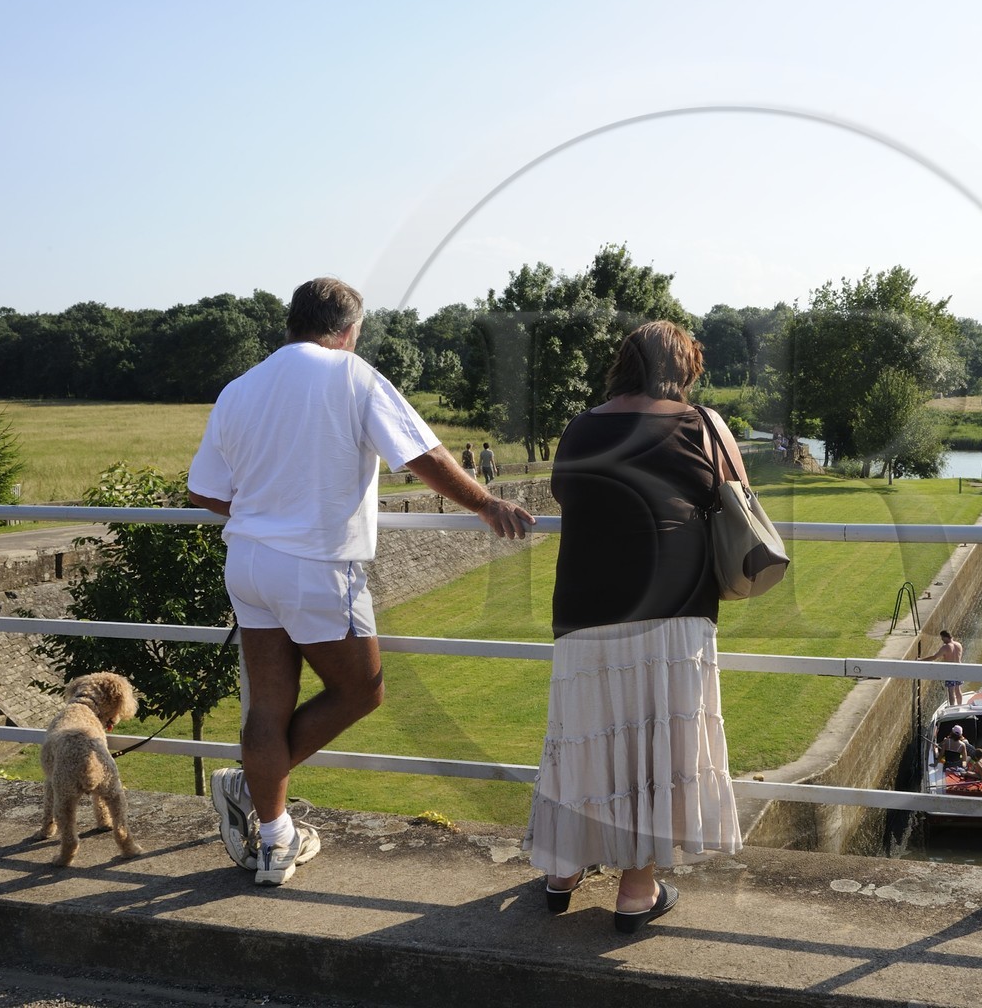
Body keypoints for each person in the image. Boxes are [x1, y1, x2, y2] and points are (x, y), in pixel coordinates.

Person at [187, 277, 535, 887]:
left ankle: (274, 840)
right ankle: (249, 786)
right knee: (362, 691)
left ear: (292, 322)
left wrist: (266, 509)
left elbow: (205, 493)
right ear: (347, 330)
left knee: (267, 707)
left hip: (247, 563)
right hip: (318, 567)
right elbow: (421, 455)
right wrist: (486, 504)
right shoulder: (352, 376)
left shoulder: (240, 388)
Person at [523, 320, 741, 934]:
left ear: (623, 364)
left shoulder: (582, 427)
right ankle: (636, 890)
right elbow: (738, 500)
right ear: (685, 369)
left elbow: (571, 495)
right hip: (676, 611)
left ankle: (563, 871)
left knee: (584, 738)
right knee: (657, 748)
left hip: (587, 608)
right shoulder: (700, 425)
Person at [923, 629, 965, 706]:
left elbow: (934, 657)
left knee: (951, 691)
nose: (942, 640)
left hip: (950, 671)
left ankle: (952, 707)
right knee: (958, 689)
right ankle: (960, 705)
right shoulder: (959, 645)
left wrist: (921, 660)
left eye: (942, 638)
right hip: (959, 669)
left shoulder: (946, 647)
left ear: (946, 637)